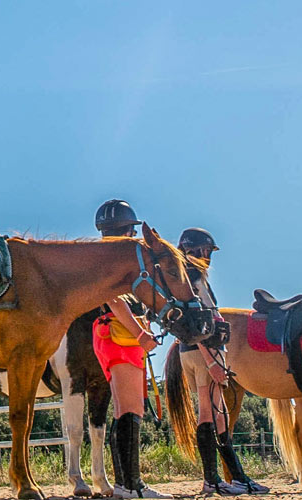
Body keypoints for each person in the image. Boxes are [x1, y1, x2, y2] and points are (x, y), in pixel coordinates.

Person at [174, 228, 267, 495]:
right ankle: (214, 479)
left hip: (196, 352)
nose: (208, 257)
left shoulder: (188, 278)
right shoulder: (192, 279)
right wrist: (212, 361)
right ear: (194, 251)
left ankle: (233, 477)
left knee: (219, 414)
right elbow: (195, 323)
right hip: (204, 352)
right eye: (205, 251)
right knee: (210, 413)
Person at [88, 200, 167, 499]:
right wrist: (141, 333)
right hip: (121, 334)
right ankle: (133, 486)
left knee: (122, 410)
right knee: (131, 409)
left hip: (110, 333)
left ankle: (124, 484)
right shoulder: (114, 260)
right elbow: (115, 300)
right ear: (128, 228)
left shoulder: (101, 258)